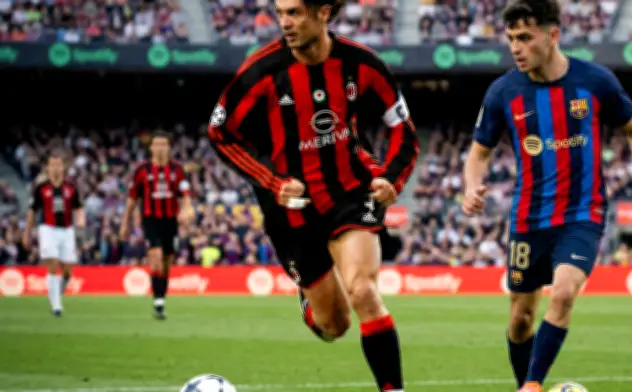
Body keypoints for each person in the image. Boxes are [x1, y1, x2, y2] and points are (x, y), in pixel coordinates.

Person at [207, 0, 418, 390]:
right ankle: (313, 305)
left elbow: (401, 125)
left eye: (294, 13)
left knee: (364, 292)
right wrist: (272, 181)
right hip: (291, 209)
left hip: (350, 192)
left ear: (323, 12)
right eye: (280, 12)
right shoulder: (261, 72)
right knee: (334, 325)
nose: (284, 22)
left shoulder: (361, 63)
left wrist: (392, 179)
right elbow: (220, 132)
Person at [461, 1, 632, 390]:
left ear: (552, 36)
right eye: (510, 39)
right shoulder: (502, 92)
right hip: (528, 219)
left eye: (525, 38)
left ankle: (533, 384)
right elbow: (478, 153)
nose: (515, 48)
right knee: (520, 319)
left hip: (581, 214)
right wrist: (471, 186)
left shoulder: (595, 81)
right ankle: (526, 385)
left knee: (564, 292)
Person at [120, 131, 193, 320]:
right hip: (150, 219)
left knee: (167, 262)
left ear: (169, 148)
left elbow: (184, 196)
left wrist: (186, 210)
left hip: (170, 221)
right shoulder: (141, 170)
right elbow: (132, 199)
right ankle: (158, 302)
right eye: (157, 144)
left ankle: (161, 297)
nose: (160, 148)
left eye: (164, 144)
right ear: (151, 147)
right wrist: (125, 224)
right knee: (156, 256)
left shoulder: (177, 170)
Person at [23, 152, 85, 317]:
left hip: (67, 229)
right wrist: (27, 233)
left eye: (59, 164)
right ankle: (56, 306)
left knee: (68, 270)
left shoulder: (71, 187)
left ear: (63, 167)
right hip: (48, 229)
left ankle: (59, 289)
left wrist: (81, 220)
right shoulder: (41, 188)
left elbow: (78, 207)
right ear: (47, 168)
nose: (56, 168)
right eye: (53, 165)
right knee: (52, 262)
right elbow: (32, 211)